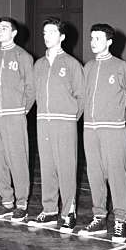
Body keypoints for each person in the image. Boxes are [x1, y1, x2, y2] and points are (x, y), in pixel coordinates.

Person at [79, 23, 126, 242]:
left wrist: (122, 116)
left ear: (109, 42)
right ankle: (99, 217)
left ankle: (120, 220)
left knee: (116, 175)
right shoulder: (88, 67)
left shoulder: (122, 67)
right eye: (92, 38)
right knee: (94, 174)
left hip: (113, 131)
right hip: (90, 130)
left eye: (98, 38)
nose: (93, 42)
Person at [29, 17, 84, 233]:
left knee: (66, 168)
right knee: (47, 167)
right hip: (43, 121)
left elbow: (82, 96)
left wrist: (70, 118)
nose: (47, 36)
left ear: (62, 37)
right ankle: (50, 210)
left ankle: (68, 212)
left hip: (65, 122)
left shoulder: (71, 64)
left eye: (52, 32)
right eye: (44, 32)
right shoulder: (39, 64)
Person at [0, 17, 35, 222]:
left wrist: (22, 109)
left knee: (17, 159)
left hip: (14, 115)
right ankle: (6, 202)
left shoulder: (23, 56)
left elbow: (31, 88)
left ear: (14, 33)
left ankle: (21, 204)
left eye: (4, 28)